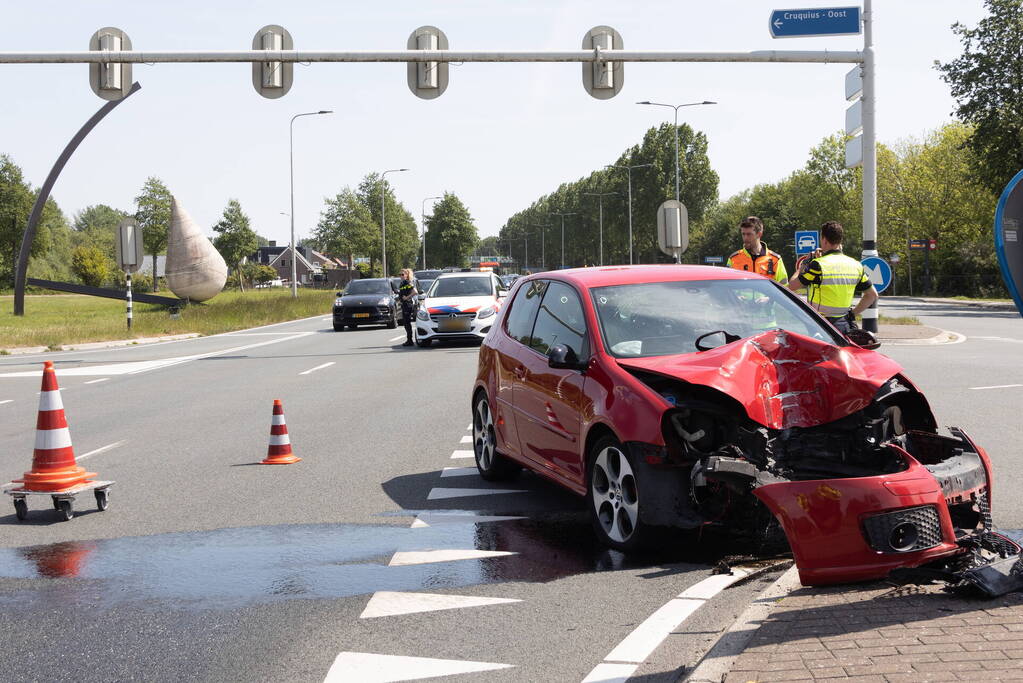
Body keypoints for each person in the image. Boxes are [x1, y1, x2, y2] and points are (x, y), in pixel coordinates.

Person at [787, 220, 877, 334]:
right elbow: (872, 295)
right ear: (840, 240)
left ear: (824, 240)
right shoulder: (856, 265)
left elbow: (792, 286)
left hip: (821, 325)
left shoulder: (818, 265)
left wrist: (804, 265)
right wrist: (852, 314)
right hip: (844, 324)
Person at [726, 216, 789, 285]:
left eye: (749, 234)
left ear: (759, 234)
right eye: (743, 234)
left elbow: (784, 287)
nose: (745, 238)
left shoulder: (775, 260)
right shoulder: (733, 259)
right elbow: (726, 286)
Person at [397, 268, 419, 347]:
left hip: (407, 304)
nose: (401, 276)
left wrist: (407, 297)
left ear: (407, 275)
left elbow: (415, 292)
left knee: (407, 323)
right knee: (406, 323)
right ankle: (409, 340)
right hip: (404, 305)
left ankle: (410, 340)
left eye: (402, 274)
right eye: (400, 274)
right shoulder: (402, 283)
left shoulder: (407, 282)